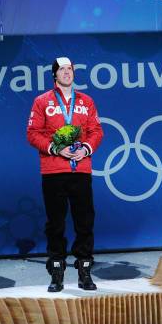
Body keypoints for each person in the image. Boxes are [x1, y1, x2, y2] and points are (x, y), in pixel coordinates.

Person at [27, 57, 103, 291]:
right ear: (54, 75)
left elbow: (96, 130)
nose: (67, 72)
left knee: (85, 222)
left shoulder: (86, 101)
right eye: (62, 69)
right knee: (56, 224)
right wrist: (56, 148)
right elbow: (33, 133)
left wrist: (86, 149)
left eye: (70, 69)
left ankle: (84, 271)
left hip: (80, 169)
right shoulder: (42, 101)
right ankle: (57, 271)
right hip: (53, 171)